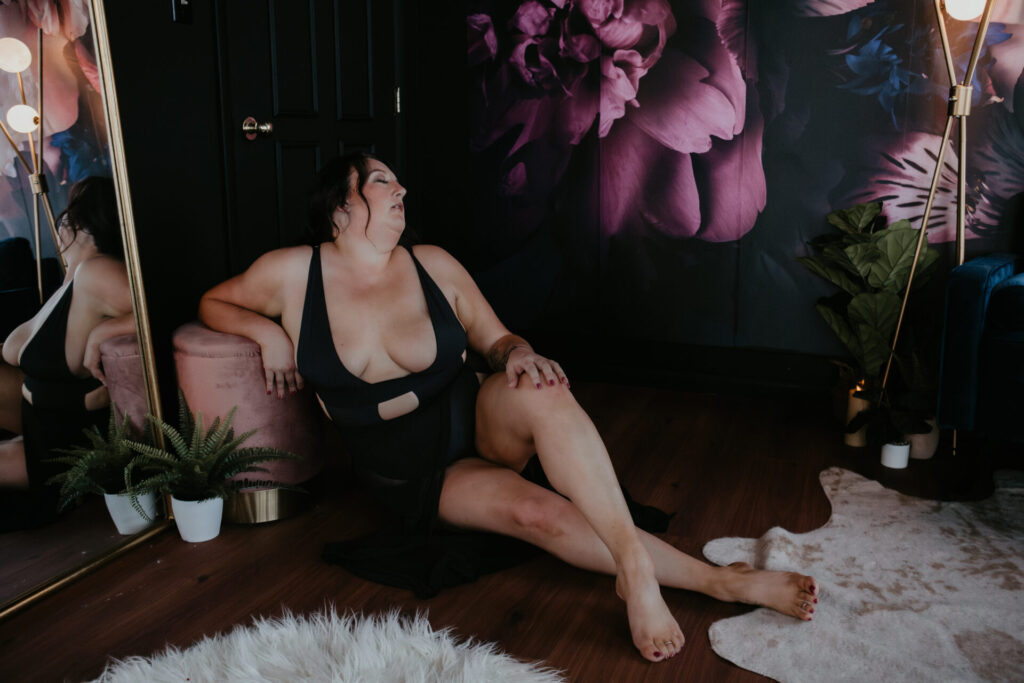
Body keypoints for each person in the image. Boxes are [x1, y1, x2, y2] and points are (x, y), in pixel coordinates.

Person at [199, 152, 819, 663]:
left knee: (545, 387)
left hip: (477, 419)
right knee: (540, 515)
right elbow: (213, 303)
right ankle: (725, 581)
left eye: (397, 177)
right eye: (383, 179)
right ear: (340, 206)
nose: (401, 186)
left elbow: (497, 340)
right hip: (413, 472)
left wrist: (520, 354)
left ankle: (638, 571)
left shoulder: (432, 264)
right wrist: (271, 335)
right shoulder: (290, 273)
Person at [0, 176, 135, 529]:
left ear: (78, 224)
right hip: (34, 426)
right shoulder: (72, 279)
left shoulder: (96, 272)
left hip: (55, 453)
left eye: (64, 219)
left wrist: (106, 330)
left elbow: (158, 308)